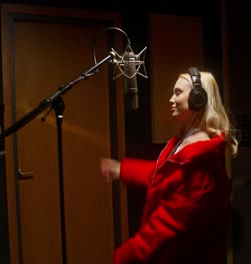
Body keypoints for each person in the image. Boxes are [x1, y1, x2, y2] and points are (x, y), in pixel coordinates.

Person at [100, 67, 238, 264]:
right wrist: (121, 169)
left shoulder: (200, 162)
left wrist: (123, 257)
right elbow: (162, 177)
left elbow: (167, 224)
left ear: (198, 99)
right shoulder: (185, 141)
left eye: (178, 92)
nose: (171, 99)